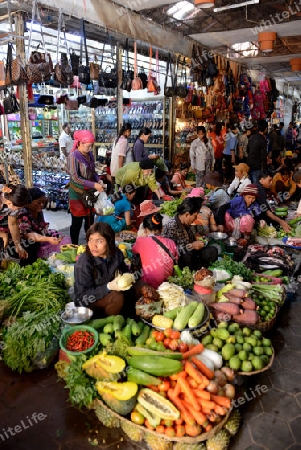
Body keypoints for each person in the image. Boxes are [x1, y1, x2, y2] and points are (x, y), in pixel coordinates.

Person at [73, 222, 129, 315]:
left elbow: (125, 271)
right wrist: (108, 287)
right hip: (90, 302)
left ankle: (130, 316)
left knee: (139, 286)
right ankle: (109, 324)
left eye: (99, 241)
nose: (93, 245)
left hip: (111, 293)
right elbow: (81, 299)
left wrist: (126, 279)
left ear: (109, 241)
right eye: (90, 240)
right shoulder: (84, 264)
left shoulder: (116, 254)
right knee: (117, 297)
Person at [161, 197, 218, 270]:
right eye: (195, 216)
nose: (196, 218)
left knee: (213, 251)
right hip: (181, 260)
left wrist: (199, 239)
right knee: (187, 255)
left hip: (192, 255)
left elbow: (192, 237)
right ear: (187, 214)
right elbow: (169, 253)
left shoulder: (186, 223)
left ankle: (203, 271)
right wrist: (191, 246)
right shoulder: (171, 226)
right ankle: (196, 272)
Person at [69, 130, 105, 245]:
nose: (90, 148)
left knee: (89, 219)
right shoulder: (73, 156)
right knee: (77, 221)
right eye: (88, 146)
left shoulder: (89, 155)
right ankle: (74, 245)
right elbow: (75, 178)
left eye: (91, 146)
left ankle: (90, 243)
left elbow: (92, 172)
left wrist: (97, 179)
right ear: (79, 143)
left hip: (89, 192)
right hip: (77, 192)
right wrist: (93, 184)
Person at [18, 188, 69, 264]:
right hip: (26, 244)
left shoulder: (39, 212)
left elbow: (42, 226)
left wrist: (51, 235)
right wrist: (47, 238)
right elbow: (27, 234)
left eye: (43, 202)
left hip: (37, 240)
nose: (42, 205)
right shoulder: (23, 213)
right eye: (38, 202)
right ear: (29, 202)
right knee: (29, 260)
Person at [132, 212, 178, 289]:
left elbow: (134, 251)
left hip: (149, 286)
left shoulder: (140, 241)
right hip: (168, 284)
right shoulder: (171, 242)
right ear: (162, 229)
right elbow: (175, 259)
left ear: (145, 230)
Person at [0, 184, 31, 261]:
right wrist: (3, 235)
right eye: (18, 208)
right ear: (10, 204)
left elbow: (13, 224)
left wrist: (18, 246)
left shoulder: (13, 199)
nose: (18, 210)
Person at [110, 124, 132, 188]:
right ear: (127, 131)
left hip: (114, 169)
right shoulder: (124, 141)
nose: (130, 134)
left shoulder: (117, 139)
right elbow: (121, 156)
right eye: (130, 131)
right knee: (118, 191)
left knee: (115, 190)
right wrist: (121, 172)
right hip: (118, 172)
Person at [247, 119, 268, 184]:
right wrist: (265, 168)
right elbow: (263, 156)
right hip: (257, 166)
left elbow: (247, 150)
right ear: (265, 129)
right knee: (256, 187)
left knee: (251, 184)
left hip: (249, 164)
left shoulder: (251, 138)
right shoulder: (262, 140)